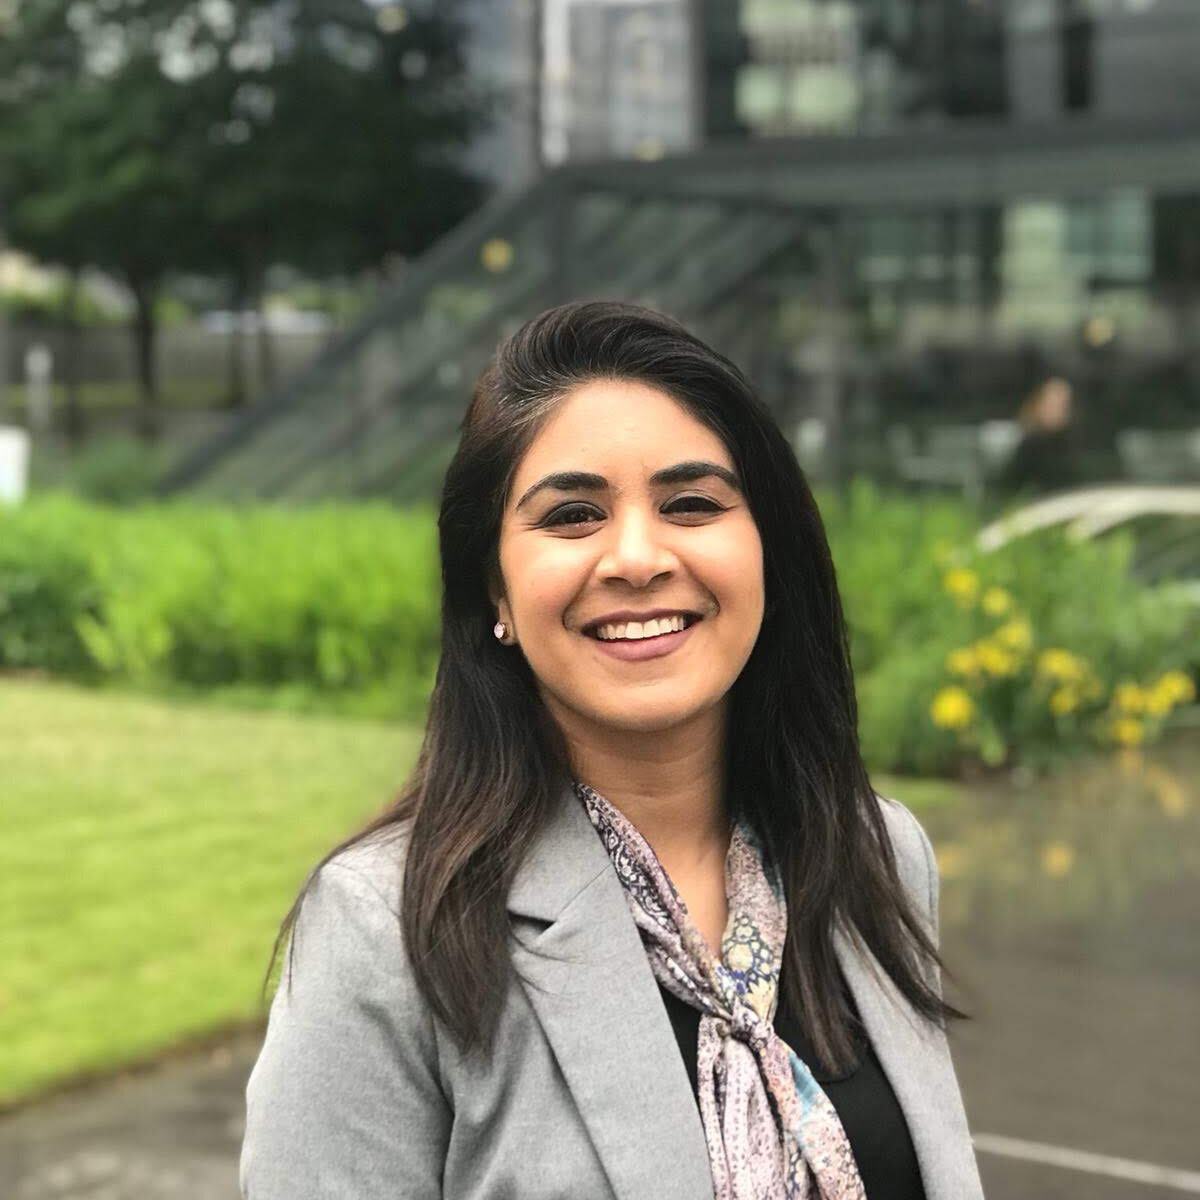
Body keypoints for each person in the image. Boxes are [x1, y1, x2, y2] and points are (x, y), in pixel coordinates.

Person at [239, 301, 985, 1200]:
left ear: (769, 555)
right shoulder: (391, 930)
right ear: (495, 591)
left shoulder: (876, 854)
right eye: (572, 515)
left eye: (691, 503)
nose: (636, 556)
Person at [1000, 374, 1084, 495]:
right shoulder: (1029, 446)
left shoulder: (1074, 445)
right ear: (1038, 405)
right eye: (1051, 403)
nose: (1056, 410)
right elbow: (1011, 486)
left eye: (1062, 405)